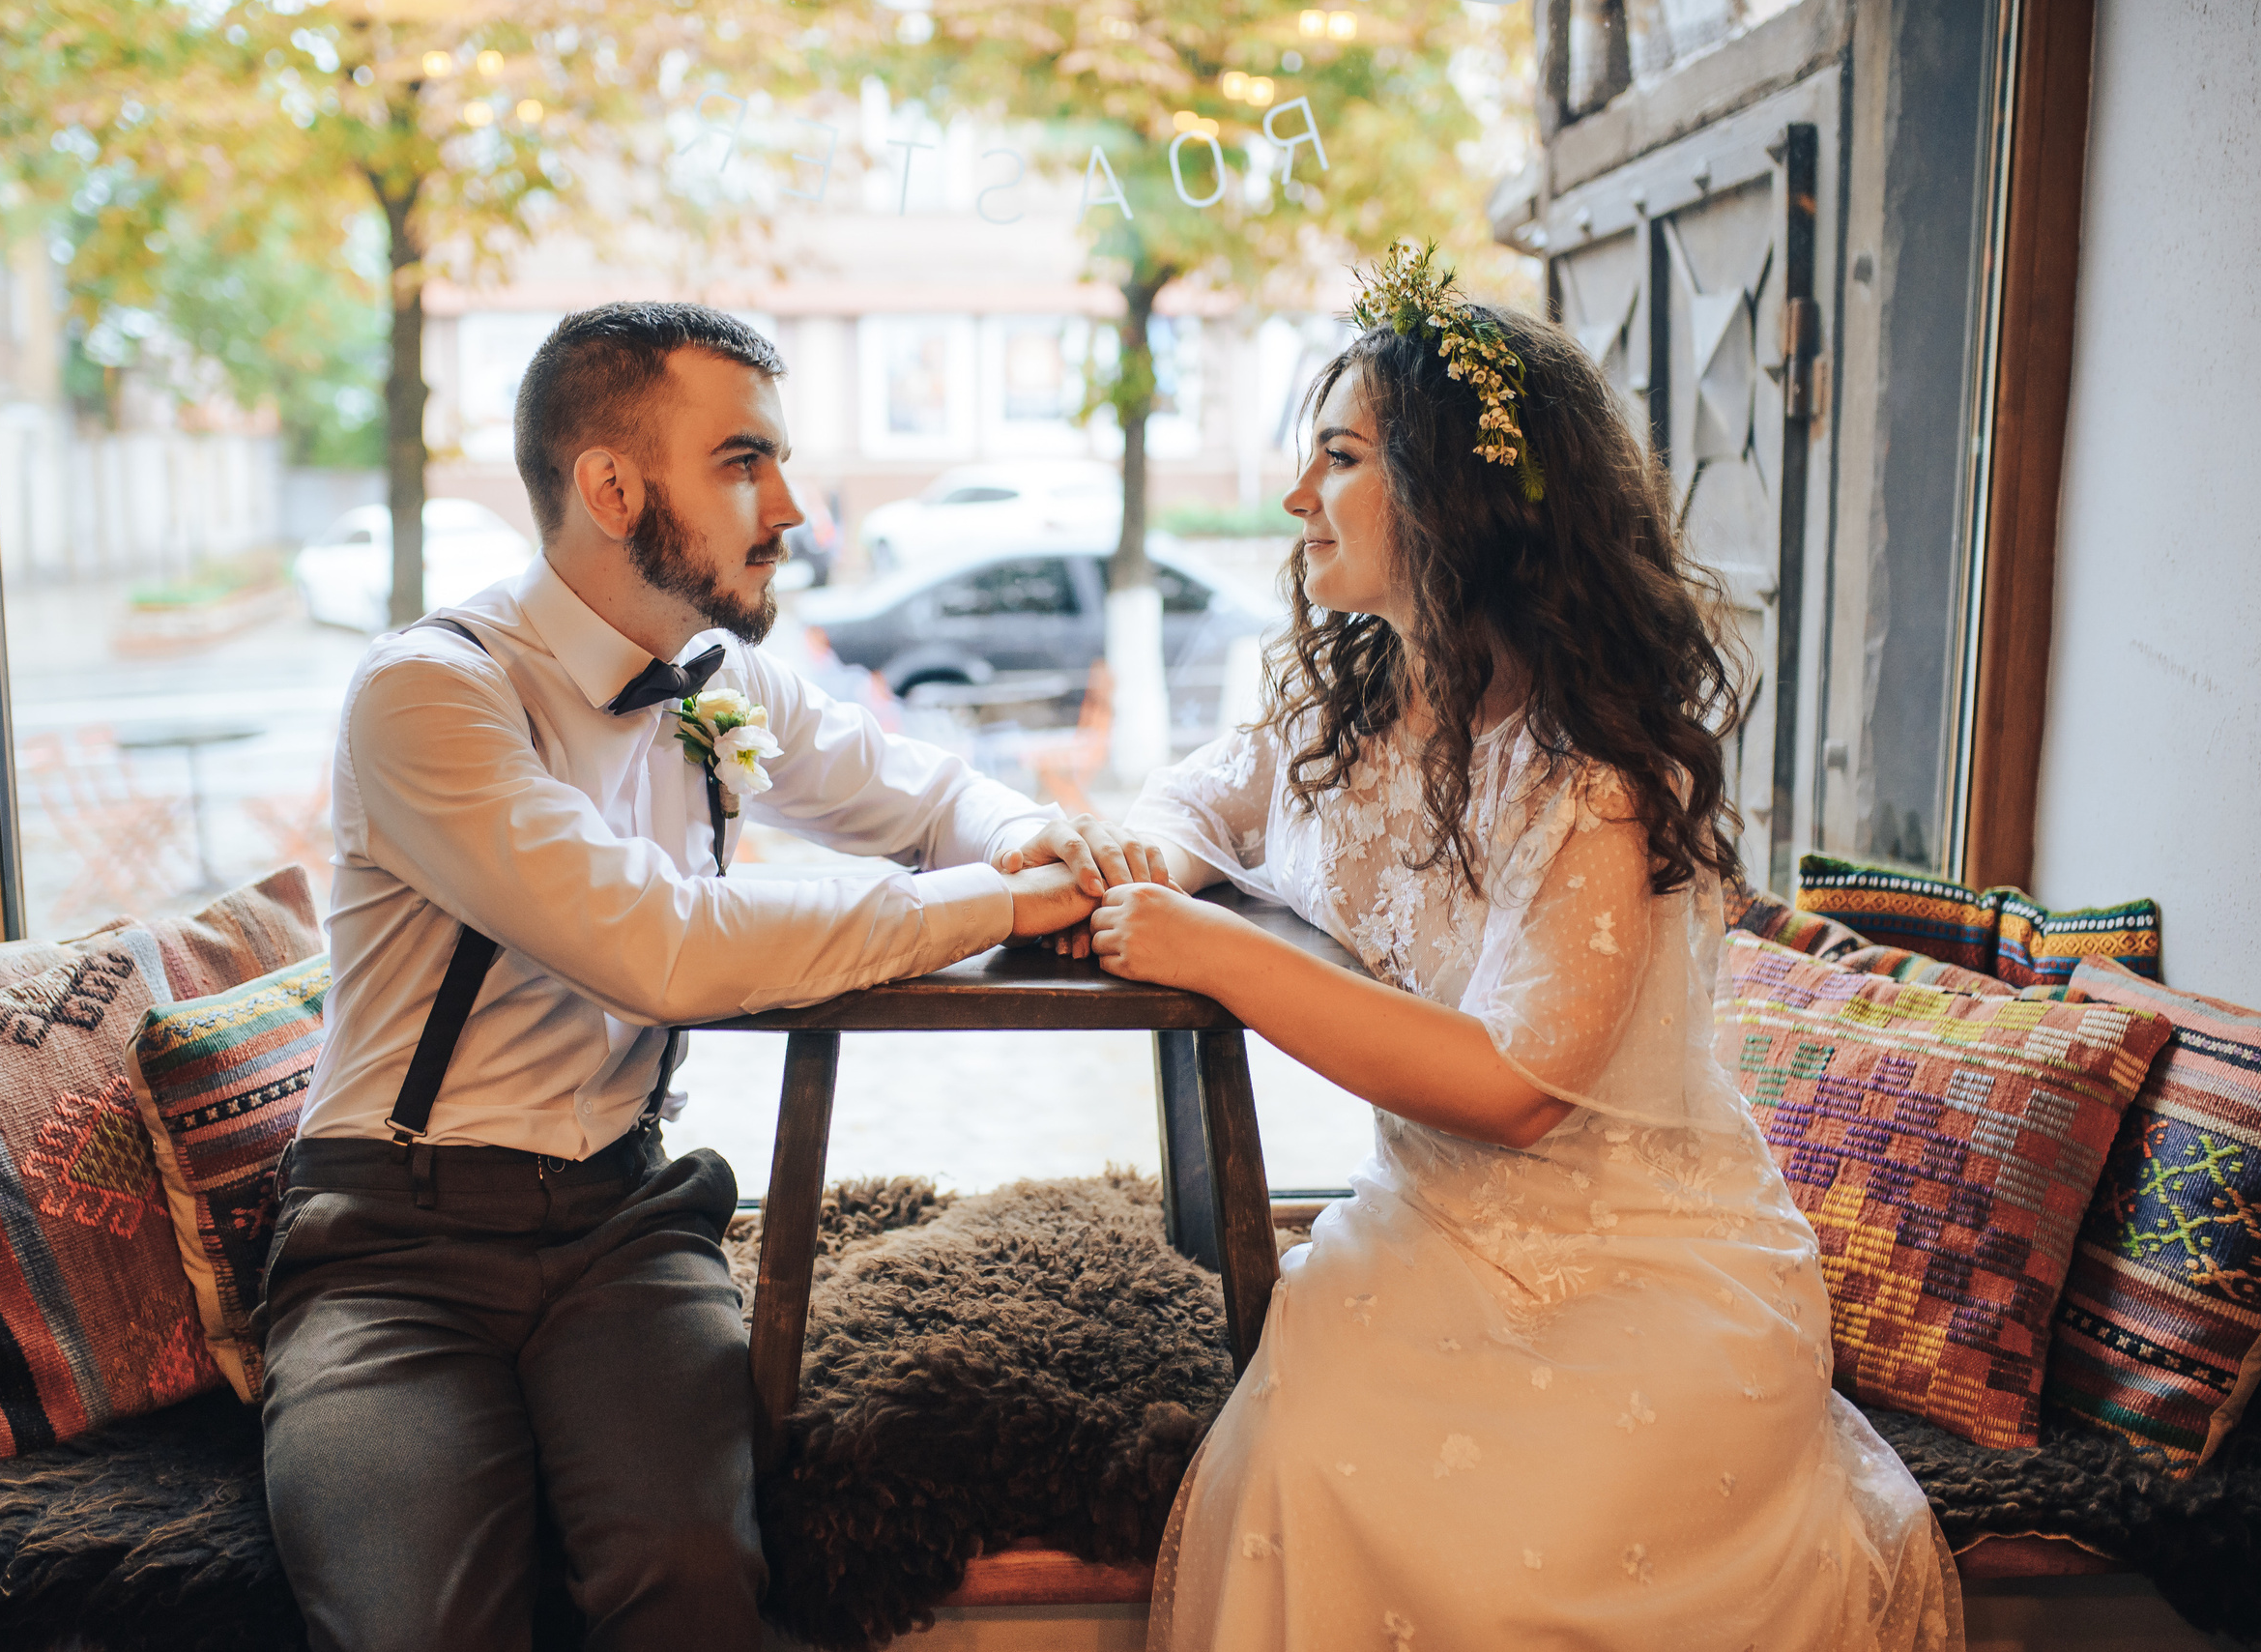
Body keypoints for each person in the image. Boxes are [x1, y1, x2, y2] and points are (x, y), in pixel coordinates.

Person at [260, 301, 1174, 1652]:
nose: (794, 506)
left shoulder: (717, 673)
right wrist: (988, 902)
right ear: (612, 486)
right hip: (393, 1244)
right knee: (411, 1628)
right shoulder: (429, 694)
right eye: (745, 461)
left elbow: (922, 796)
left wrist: (1031, 839)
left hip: (626, 1224)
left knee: (693, 1585)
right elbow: (662, 944)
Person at [1089, 247, 1961, 1651]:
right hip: (1425, 1234)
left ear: (1459, 498)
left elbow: (1515, 1086)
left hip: (1650, 1280)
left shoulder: (1592, 776)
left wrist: (1211, 949)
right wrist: (1159, 852)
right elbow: (1203, 787)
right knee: (1299, 1462)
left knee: (1483, 1555)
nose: (1298, 497)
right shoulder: (1363, 707)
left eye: (1340, 458)